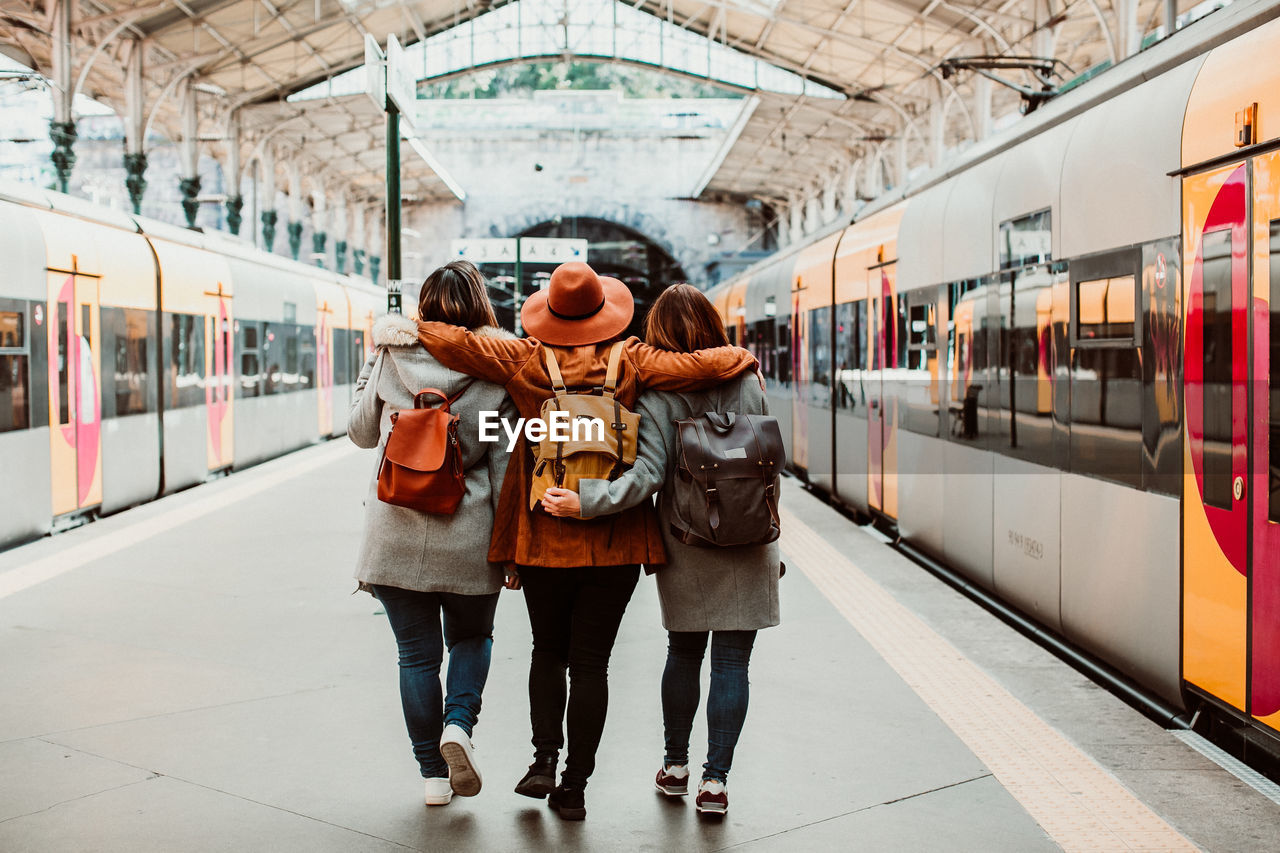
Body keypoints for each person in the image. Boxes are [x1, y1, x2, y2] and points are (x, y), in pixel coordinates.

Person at [414, 262, 758, 820]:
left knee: (546, 652)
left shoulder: (523, 358)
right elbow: (698, 366)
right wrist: (737, 357)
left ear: (548, 313)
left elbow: (453, 344)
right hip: (616, 538)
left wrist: (411, 328)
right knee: (591, 664)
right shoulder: (635, 358)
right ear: (606, 311)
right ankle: (575, 786)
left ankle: (543, 760)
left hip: (545, 531)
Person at [541, 283, 781, 818]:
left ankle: (676, 768)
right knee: (733, 662)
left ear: (657, 335)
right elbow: (767, 460)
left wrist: (586, 501)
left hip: (688, 538)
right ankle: (716, 782)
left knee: (686, 652)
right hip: (750, 538)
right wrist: (768, 532)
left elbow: (647, 475)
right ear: (713, 326)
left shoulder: (655, 392)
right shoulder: (747, 377)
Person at [349, 260, 517, 807]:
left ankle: (432, 777)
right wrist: (507, 543)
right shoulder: (498, 366)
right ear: (481, 306)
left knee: (415, 658)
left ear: (422, 306)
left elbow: (360, 432)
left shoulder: (390, 352)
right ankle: (459, 726)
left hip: (394, 530)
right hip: (468, 530)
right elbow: (503, 463)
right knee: (471, 638)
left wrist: (370, 374)